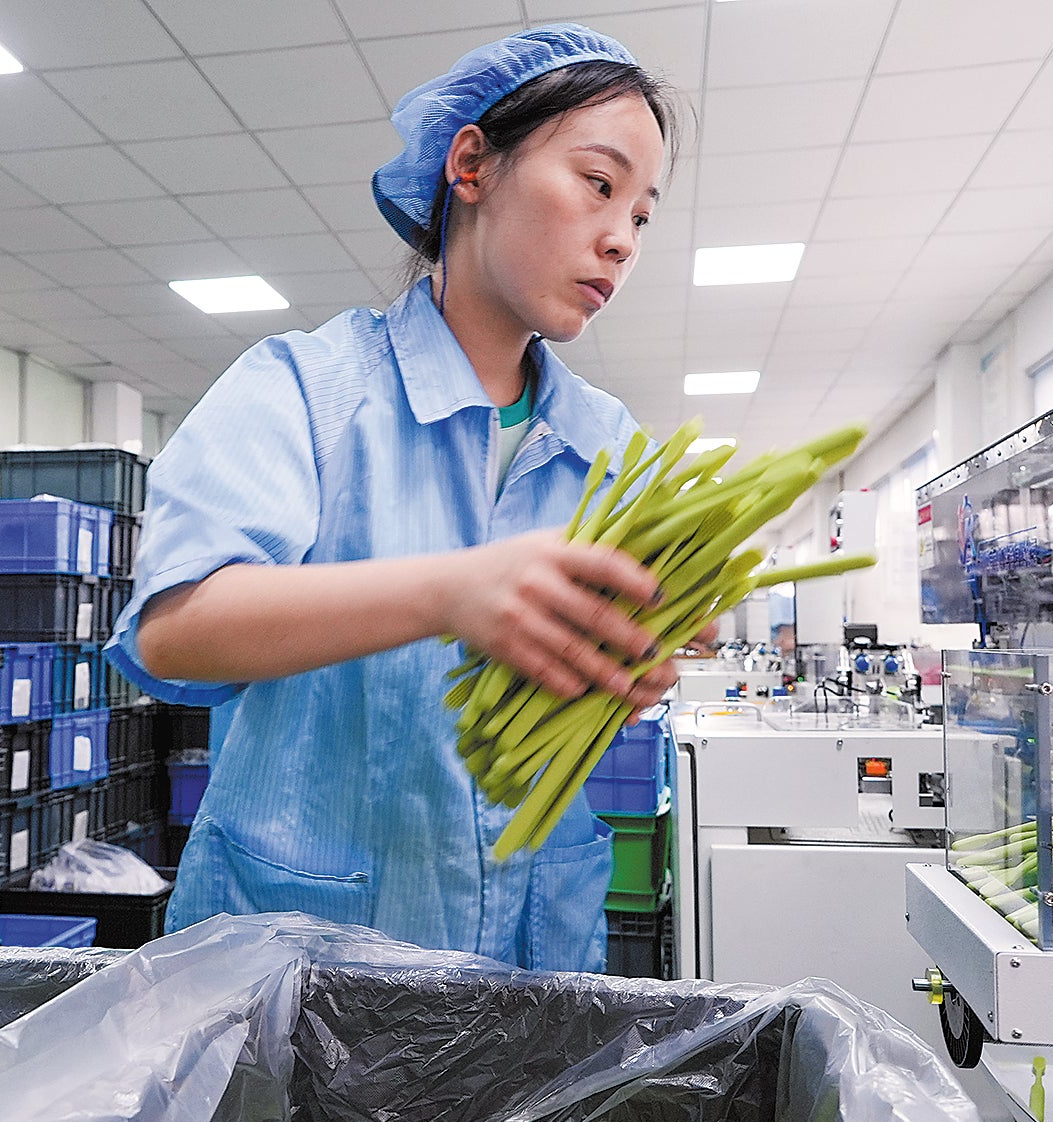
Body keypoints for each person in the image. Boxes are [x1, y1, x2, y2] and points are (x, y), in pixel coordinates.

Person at [108, 26, 685, 972]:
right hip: (298, 973)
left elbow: (592, 678)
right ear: (472, 165)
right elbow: (177, 628)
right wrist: (449, 593)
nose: (621, 237)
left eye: (642, 214)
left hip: (527, 961)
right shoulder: (307, 391)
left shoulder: (611, 447)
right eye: (597, 182)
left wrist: (624, 666)